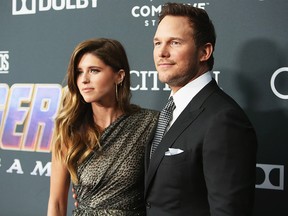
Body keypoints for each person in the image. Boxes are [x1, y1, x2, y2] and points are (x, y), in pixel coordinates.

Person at [144, 2, 257, 216]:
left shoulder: (223, 119)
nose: (162, 53)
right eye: (157, 43)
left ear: (204, 52)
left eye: (175, 43)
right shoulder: (169, 110)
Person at [47, 38, 158, 216]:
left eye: (94, 70)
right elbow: (57, 203)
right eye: (79, 72)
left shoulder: (149, 123)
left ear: (119, 76)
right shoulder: (69, 129)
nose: (84, 80)